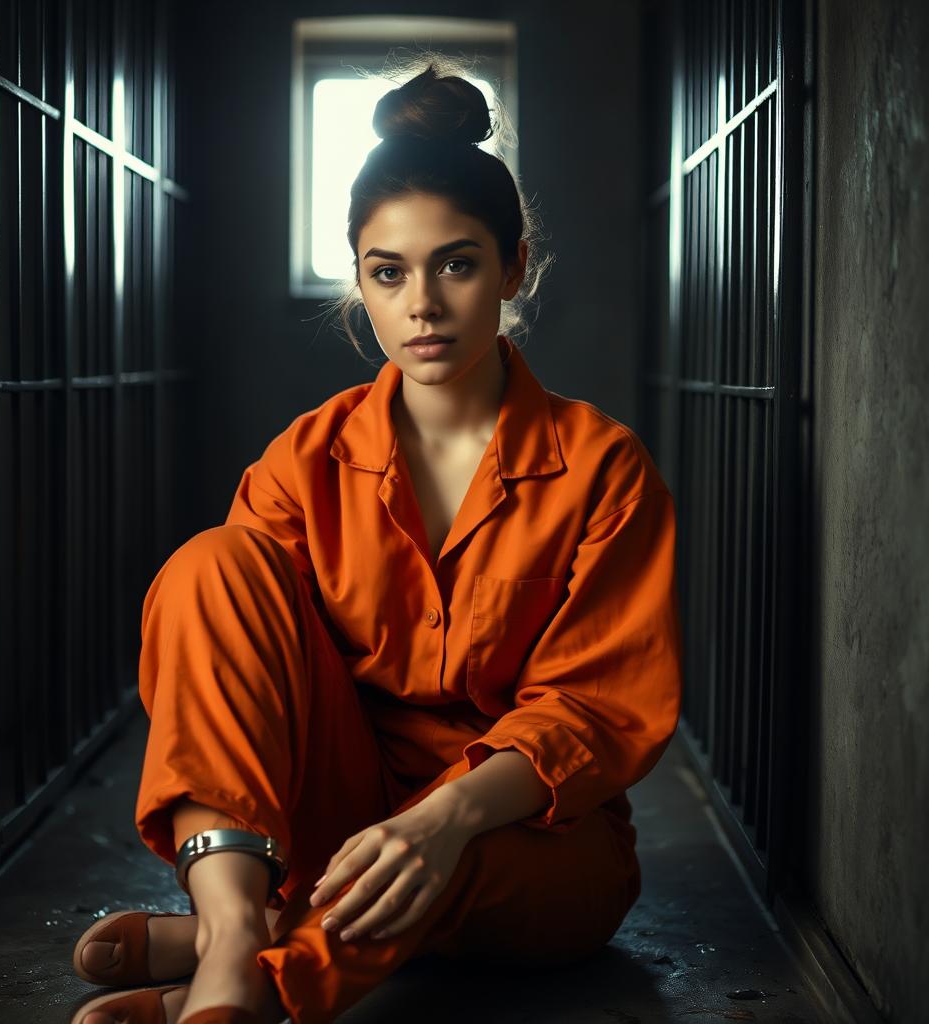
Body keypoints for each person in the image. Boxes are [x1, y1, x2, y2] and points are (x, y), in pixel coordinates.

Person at [69, 53, 683, 1024]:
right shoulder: (304, 459)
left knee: (468, 865)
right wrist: (376, 827)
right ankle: (233, 931)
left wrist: (440, 820)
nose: (422, 305)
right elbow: (228, 672)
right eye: (387, 272)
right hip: (332, 820)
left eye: (458, 263)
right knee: (208, 568)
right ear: (359, 280)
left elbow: (597, 707)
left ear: (513, 264)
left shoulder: (603, 466)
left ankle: (269, 976)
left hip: (524, 843)